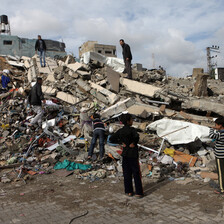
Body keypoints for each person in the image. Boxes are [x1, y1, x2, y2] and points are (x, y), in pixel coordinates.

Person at [109, 113, 144, 198]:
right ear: (128, 121)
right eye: (131, 120)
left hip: (125, 154)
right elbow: (137, 138)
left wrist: (121, 142)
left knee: (127, 173)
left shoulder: (121, 131)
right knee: (136, 173)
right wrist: (133, 143)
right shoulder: (132, 130)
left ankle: (129, 192)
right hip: (133, 154)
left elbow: (111, 138)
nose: (132, 121)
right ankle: (138, 192)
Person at [209, 117, 224, 194]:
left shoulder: (220, 134)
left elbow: (211, 135)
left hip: (220, 156)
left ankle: (222, 189)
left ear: (220, 126)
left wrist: (212, 128)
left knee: (221, 173)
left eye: (216, 125)